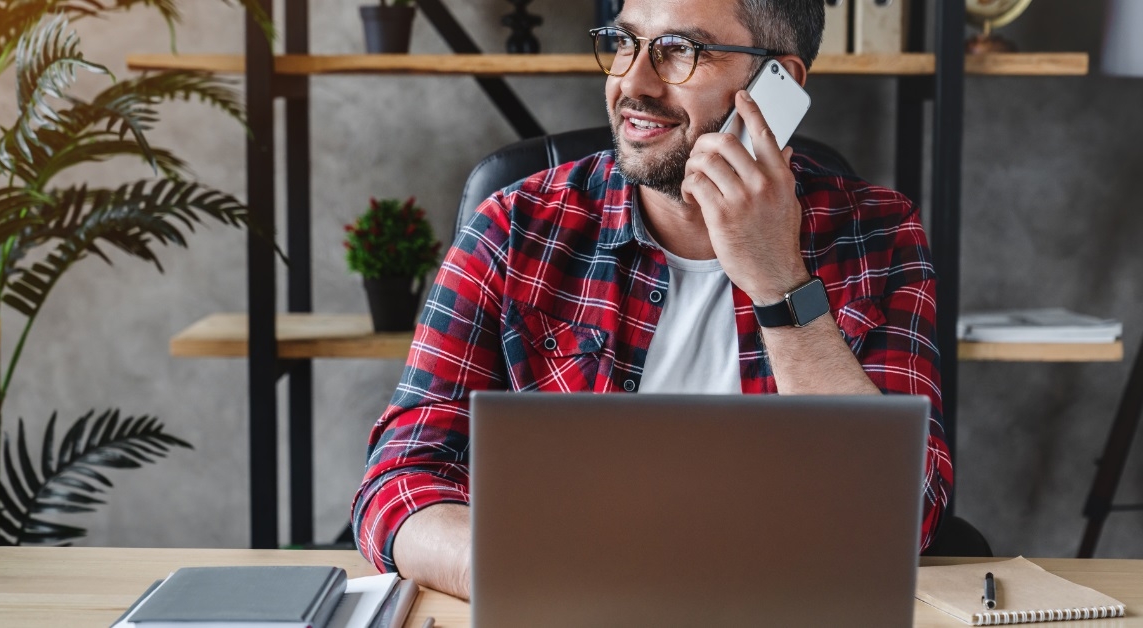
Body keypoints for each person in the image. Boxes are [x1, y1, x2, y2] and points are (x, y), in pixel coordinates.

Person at [351, 0, 952, 600]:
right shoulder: (516, 228)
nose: (632, 83)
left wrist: (779, 282)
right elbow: (399, 480)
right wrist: (535, 575)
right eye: (623, 43)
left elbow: (903, 519)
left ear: (779, 84)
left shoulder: (877, 232)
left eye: (680, 52)